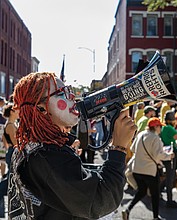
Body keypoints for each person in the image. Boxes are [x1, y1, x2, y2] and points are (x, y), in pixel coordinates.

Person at [8, 72, 137, 220]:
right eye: (62, 93)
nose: (72, 97)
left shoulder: (27, 147)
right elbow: (101, 201)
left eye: (69, 90)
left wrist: (66, 152)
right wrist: (119, 148)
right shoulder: (48, 156)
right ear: (42, 109)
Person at [122, 117, 173, 220]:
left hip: (137, 169)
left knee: (142, 191)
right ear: (155, 127)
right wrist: (169, 156)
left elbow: (132, 149)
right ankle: (155, 217)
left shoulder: (140, 134)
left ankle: (127, 209)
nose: (161, 129)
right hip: (150, 171)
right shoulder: (155, 138)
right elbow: (158, 155)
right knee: (155, 195)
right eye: (160, 127)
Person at [160, 110, 177, 208]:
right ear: (172, 120)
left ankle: (160, 192)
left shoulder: (164, 127)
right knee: (170, 178)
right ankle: (169, 201)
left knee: (169, 175)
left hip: (166, 153)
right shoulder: (169, 128)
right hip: (170, 154)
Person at [0, 103, 19, 217]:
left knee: (11, 179)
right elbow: (15, 143)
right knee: (11, 179)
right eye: (17, 110)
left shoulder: (12, 124)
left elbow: (6, 142)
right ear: (12, 111)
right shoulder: (11, 125)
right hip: (13, 152)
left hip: (11, 152)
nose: (19, 112)